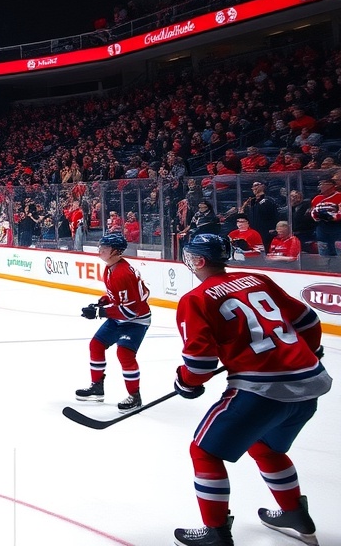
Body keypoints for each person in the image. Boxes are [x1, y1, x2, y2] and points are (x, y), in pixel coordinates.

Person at [170, 234, 330, 546]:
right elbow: (308, 321)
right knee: (265, 447)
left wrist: (184, 382)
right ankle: (294, 513)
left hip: (260, 389)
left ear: (199, 261)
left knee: (204, 451)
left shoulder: (196, 299)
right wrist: (309, 350)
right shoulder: (257, 279)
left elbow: (200, 366)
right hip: (309, 385)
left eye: (190, 256)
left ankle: (215, 533)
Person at [72, 233, 152, 411]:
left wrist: (100, 312)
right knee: (96, 345)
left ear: (116, 251)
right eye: (100, 247)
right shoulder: (111, 268)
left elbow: (131, 311)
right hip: (120, 317)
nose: (100, 250)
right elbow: (117, 296)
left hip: (136, 321)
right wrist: (104, 302)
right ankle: (97, 387)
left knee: (124, 353)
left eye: (105, 248)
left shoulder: (122, 273)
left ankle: (135, 396)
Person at [308, 178, 341, 257]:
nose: (321, 186)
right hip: (322, 229)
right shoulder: (316, 198)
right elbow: (313, 211)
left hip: (337, 228)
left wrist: (331, 217)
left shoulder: (339, 196)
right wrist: (316, 216)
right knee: (324, 255)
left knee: (338, 254)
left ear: (332, 186)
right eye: (320, 184)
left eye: (323, 184)